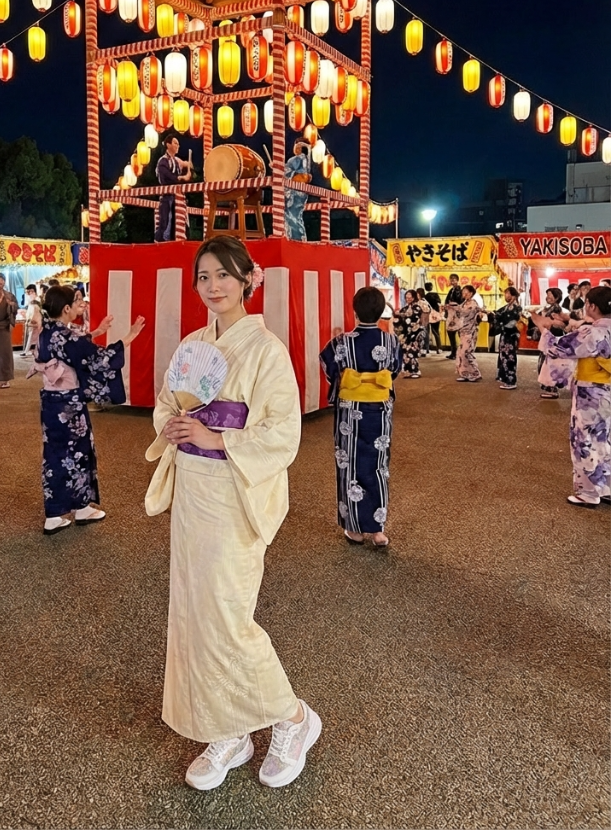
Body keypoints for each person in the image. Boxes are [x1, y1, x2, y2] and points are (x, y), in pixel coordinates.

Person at [145, 236, 320, 791]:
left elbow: (282, 432)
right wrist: (171, 425)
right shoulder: (194, 343)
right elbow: (167, 405)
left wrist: (215, 437)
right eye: (203, 277)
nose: (212, 285)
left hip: (233, 491)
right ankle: (229, 730)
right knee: (195, 613)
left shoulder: (265, 350)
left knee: (226, 615)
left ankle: (293, 717)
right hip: (194, 493)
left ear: (249, 278)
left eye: (223, 274)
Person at [30, 285, 144, 534]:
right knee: (79, 453)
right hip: (69, 404)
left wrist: (97, 331)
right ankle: (80, 507)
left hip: (50, 402)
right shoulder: (67, 337)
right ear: (66, 308)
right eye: (76, 301)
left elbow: (74, 349)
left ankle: (56, 513)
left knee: (55, 456)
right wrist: (128, 337)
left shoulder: (46, 332)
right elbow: (97, 358)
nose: (80, 305)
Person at [320, 285, 402, 548]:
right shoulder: (391, 341)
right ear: (382, 312)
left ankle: (355, 529)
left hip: (349, 411)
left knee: (350, 465)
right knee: (379, 466)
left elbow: (328, 367)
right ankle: (378, 529)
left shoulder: (340, 342)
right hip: (379, 411)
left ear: (354, 311)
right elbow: (396, 369)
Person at [532, 286, 611, 508]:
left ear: (592, 306)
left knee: (584, 440)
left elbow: (559, 348)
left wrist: (544, 328)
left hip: (591, 393)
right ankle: (606, 487)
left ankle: (588, 492)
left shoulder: (593, 332)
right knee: (606, 439)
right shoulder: (597, 329)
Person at [155, 133, 191, 242]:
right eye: (175, 143)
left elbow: (184, 168)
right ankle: (161, 245)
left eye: (178, 144)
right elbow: (167, 177)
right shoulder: (163, 161)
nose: (178, 146)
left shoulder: (176, 161)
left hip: (178, 197)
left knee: (181, 223)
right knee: (166, 223)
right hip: (167, 196)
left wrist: (187, 175)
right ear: (168, 144)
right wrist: (182, 178)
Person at [536, 287, 568, 400]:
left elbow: (556, 325)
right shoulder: (550, 308)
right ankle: (549, 388)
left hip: (551, 339)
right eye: (547, 295)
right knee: (544, 363)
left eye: (550, 295)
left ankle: (552, 389)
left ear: (557, 297)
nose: (547, 297)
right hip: (548, 338)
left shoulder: (556, 309)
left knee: (548, 364)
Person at [488, 287, 522, 390]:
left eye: (507, 294)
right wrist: (491, 314)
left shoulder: (517, 308)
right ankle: (504, 377)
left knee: (510, 357)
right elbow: (497, 314)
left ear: (513, 295)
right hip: (505, 334)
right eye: (505, 294)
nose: (506, 296)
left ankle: (511, 380)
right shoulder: (507, 307)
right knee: (503, 356)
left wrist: (500, 322)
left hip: (511, 335)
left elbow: (512, 322)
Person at [447, 285, 482, 382]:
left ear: (471, 293)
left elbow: (465, 312)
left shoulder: (473, 304)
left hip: (470, 331)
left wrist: (454, 307)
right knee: (461, 353)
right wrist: (450, 307)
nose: (463, 293)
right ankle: (465, 373)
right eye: (463, 292)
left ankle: (474, 373)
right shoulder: (464, 303)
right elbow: (460, 310)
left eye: (465, 291)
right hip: (463, 331)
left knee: (466, 352)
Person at [284, 140, 311, 241]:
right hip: (301, 191)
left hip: (294, 191)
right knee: (297, 215)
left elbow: (286, 171)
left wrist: (277, 167)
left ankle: (294, 240)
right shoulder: (306, 160)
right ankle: (300, 239)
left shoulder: (297, 158)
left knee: (291, 216)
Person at [396, 289, 424, 378]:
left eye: (410, 296)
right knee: (405, 352)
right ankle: (408, 371)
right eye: (406, 296)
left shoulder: (417, 307)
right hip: (405, 334)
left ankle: (415, 370)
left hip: (414, 333)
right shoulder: (404, 308)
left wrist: (402, 315)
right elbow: (400, 318)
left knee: (412, 352)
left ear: (414, 297)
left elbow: (414, 317)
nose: (408, 298)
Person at [444, 274, 463, 359]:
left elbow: (459, 301)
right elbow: (447, 300)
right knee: (450, 332)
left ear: (457, 280)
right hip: (451, 314)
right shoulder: (451, 290)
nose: (452, 281)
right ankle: (453, 352)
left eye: (454, 279)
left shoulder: (459, 290)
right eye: (451, 279)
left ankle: (460, 352)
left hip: (457, 314)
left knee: (460, 334)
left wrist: (452, 304)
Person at [20, 284, 42, 357]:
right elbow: (30, 310)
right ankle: (28, 351)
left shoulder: (38, 300)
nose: (28, 293)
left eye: (29, 291)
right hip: (30, 320)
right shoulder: (31, 300)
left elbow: (37, 310)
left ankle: (27, 351)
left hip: (36, 320)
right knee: (32, 336)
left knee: (33, 336)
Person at [424, 282, 443, 354]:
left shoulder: (425, 297)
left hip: (427, 315)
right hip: (435, 316)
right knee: (436, 332)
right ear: (432, 287)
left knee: (426, 332)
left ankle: (427, 348)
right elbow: (439, 304)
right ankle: (439, 348)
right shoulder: (436, 295)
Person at [415, 287, 432, 356]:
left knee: (422, 335)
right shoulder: (425, 301)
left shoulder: (420, 302)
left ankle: (423, 349)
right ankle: (426, 349)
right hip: (426, 320)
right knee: (426, 334)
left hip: (422, 320)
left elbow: (421, 311)